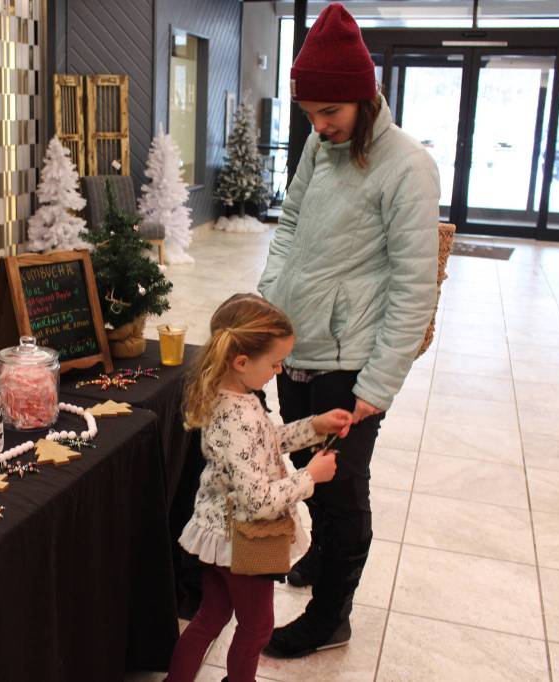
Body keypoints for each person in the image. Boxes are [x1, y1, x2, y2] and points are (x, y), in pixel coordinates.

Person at [257, 3, 440, 658]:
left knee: (341, 488)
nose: (320, 126)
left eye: (330, 113)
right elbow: (289, 230)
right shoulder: (319, 147)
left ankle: (331, 615)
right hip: (298, 343)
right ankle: (320, 562)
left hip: (351, 357)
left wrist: (379, 383)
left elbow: (414, 286)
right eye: (311, 114)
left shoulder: (407, 167)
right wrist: (270, 307)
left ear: (365, 98)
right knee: (305, 463)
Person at [165, 294, 353, 682]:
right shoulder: (238, 415)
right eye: (274, 362)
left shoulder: (234, 397)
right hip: (244, 537)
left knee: (211, 616)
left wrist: (314, 426)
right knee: (257, 628)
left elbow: (266, 442)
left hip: (222, 531)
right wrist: (309, 478)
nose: (279, 369)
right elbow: (258, 499)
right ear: (241, 361)